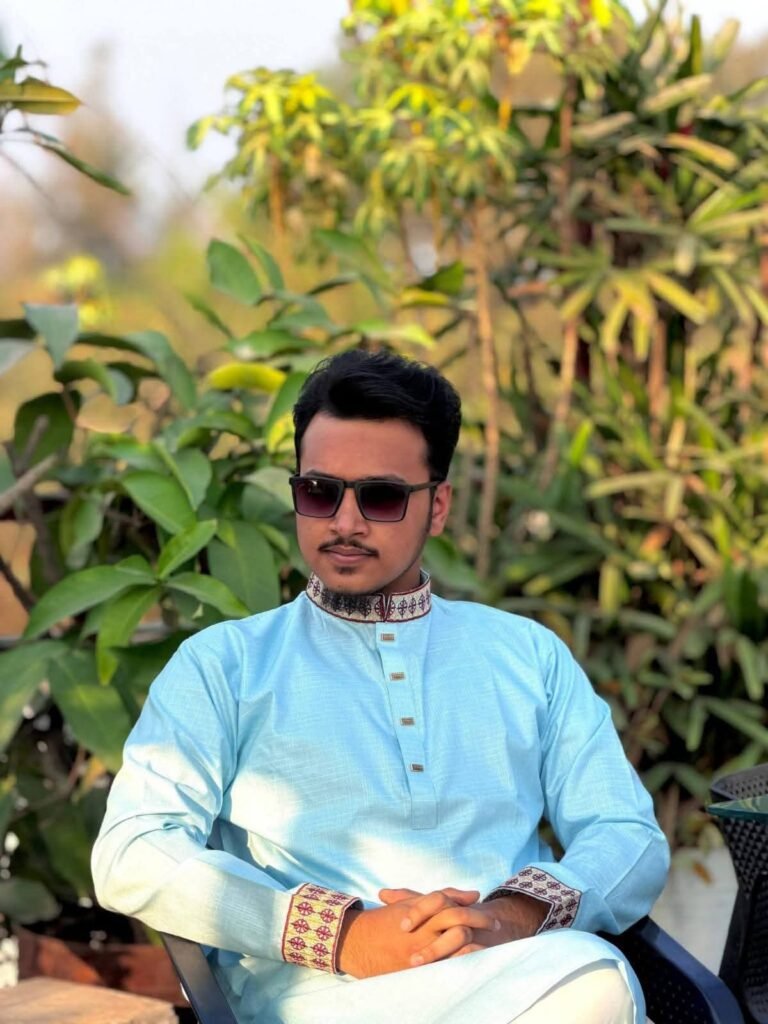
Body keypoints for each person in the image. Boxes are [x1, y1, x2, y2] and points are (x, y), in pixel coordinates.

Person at [92, 349, 669, 1024]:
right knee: (595, 983)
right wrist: (343, 935)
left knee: (588, 980)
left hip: (516, 973)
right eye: (319, 492)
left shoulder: (527, 656)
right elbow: (132, 851)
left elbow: (625, 832)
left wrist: (509, 917)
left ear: (438, 506)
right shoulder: (224, 665)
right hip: (316, 997)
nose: (344, 522)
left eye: (382, 497)